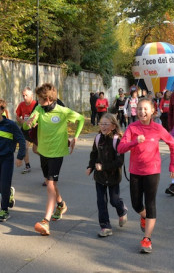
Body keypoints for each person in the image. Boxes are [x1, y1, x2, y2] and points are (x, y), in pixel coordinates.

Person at [117, 98, 174, 253]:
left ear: (152, 111)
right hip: (136, 171)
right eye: (139, 109)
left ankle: (147, 239)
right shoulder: (132, 127)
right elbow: (121, 148)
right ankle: (144, 216)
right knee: (136, 204)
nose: (142, 112)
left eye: (145, 109)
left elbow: (173, 143)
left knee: (150, 203)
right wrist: (134, 142)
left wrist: (173, 165)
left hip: (152, 170)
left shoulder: (157, 128)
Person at [26, 83, 85, 236]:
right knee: (50, 183)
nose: (38, 101)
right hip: (43, 151)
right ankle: (61, 204)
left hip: (57, 153)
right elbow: (29, 124)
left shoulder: (63, 111)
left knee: (50, 184)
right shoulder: (39, 108)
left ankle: (45, 221)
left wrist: (75, 137)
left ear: (49, 99)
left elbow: (81, 119)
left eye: (40, 99)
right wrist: (28, 123)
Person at [87, 113, 128, 237]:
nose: (103, 126)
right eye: (101, 124)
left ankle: (122, 210)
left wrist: (103, 167)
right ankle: (105, 226)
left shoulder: (117, 140)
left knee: (114, 200)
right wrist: (90, 166)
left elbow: (119, 161)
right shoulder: (98, 138)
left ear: (113, 126)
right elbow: (94, 154)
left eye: (106, 124)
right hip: (99, 177)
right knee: (101, 201)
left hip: (113, 177)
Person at [15, 86, 37, 174]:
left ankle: (46, 158)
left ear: (32, 95)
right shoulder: (21, 105)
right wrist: (23, 121)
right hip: (25, 129)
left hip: (35, 130)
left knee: (35, 150)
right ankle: (27, 166)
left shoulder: (36, 105)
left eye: (26, 95)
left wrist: (36, 123)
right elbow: (17, 116)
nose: (24, 97)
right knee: (24, 147)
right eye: (23, 95)